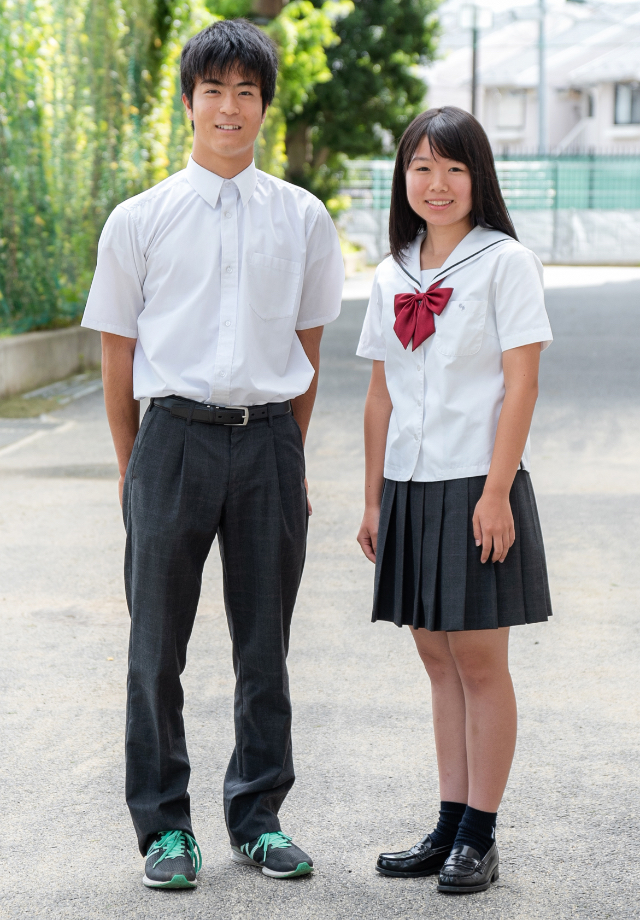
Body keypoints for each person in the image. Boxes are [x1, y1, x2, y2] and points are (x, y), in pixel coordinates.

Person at [81, 18, 344, 889]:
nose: (229, 107)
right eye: (214, 91)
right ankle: (163, 829)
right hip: (172, 443)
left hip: (268, 442)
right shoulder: (140, 218)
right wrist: (133, 464)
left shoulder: (303, 219)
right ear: (189, 100)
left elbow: (306, 351)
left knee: (263, 645)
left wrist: (291, 455)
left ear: (264, 106)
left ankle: (259, 815)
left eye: (246, 92)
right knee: (156, 648)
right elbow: (117, 356)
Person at [356, 106, 553, 895]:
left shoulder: (506, 262)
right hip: (408, 483)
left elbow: (522, 384)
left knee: (477, 660)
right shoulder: (389, 271)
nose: (436, 185)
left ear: (479, 179)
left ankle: (482, 832)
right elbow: (378, 397)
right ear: (404, 177)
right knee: (434, 659)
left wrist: (498, 490)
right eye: (422, 168)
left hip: (477, 482)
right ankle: (447, 822)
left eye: (454, 169)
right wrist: (373, 501)